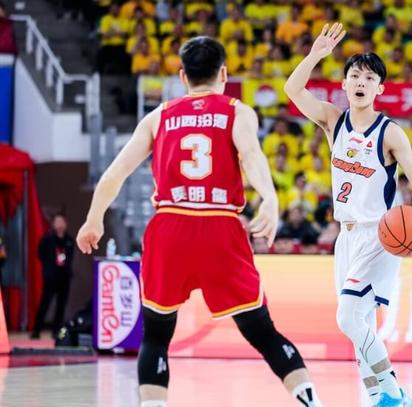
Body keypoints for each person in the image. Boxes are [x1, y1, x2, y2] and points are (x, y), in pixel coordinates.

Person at [77, 37, 322, 407]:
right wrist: (270, 199)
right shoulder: (238, 112)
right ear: (223, 74)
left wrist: (93, 219)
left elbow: (115, 172)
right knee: (261, 330)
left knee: (156, 334)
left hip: (170, 225)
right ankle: (311, 400)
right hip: (219, 226)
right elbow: (252, 156)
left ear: (182, 76)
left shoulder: (158, 116)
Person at [285, 22, 412, 406]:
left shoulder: (390, 132)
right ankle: (377, 399)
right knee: (358, 324)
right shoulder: (333, 120)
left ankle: (394, 392)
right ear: (344, 84)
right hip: (346, 236)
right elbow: (292, 90)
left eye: (369, 78)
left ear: (379, 89)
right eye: (355, 75)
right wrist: (315, 55)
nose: (361, 82)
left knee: (348, 317)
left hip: (381, 235)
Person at [32, 214, 74, 339]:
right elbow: (40, 254)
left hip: (64, 277)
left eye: (62, 222)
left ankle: (56, 331)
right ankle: (36, 330)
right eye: (57, 222)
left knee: (61, 305)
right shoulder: (47, 239)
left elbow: (70, 257)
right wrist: (48, 268)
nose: (60, 224)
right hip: (51, 277)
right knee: (45, 303)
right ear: (53, 224)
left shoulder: (69, 240)